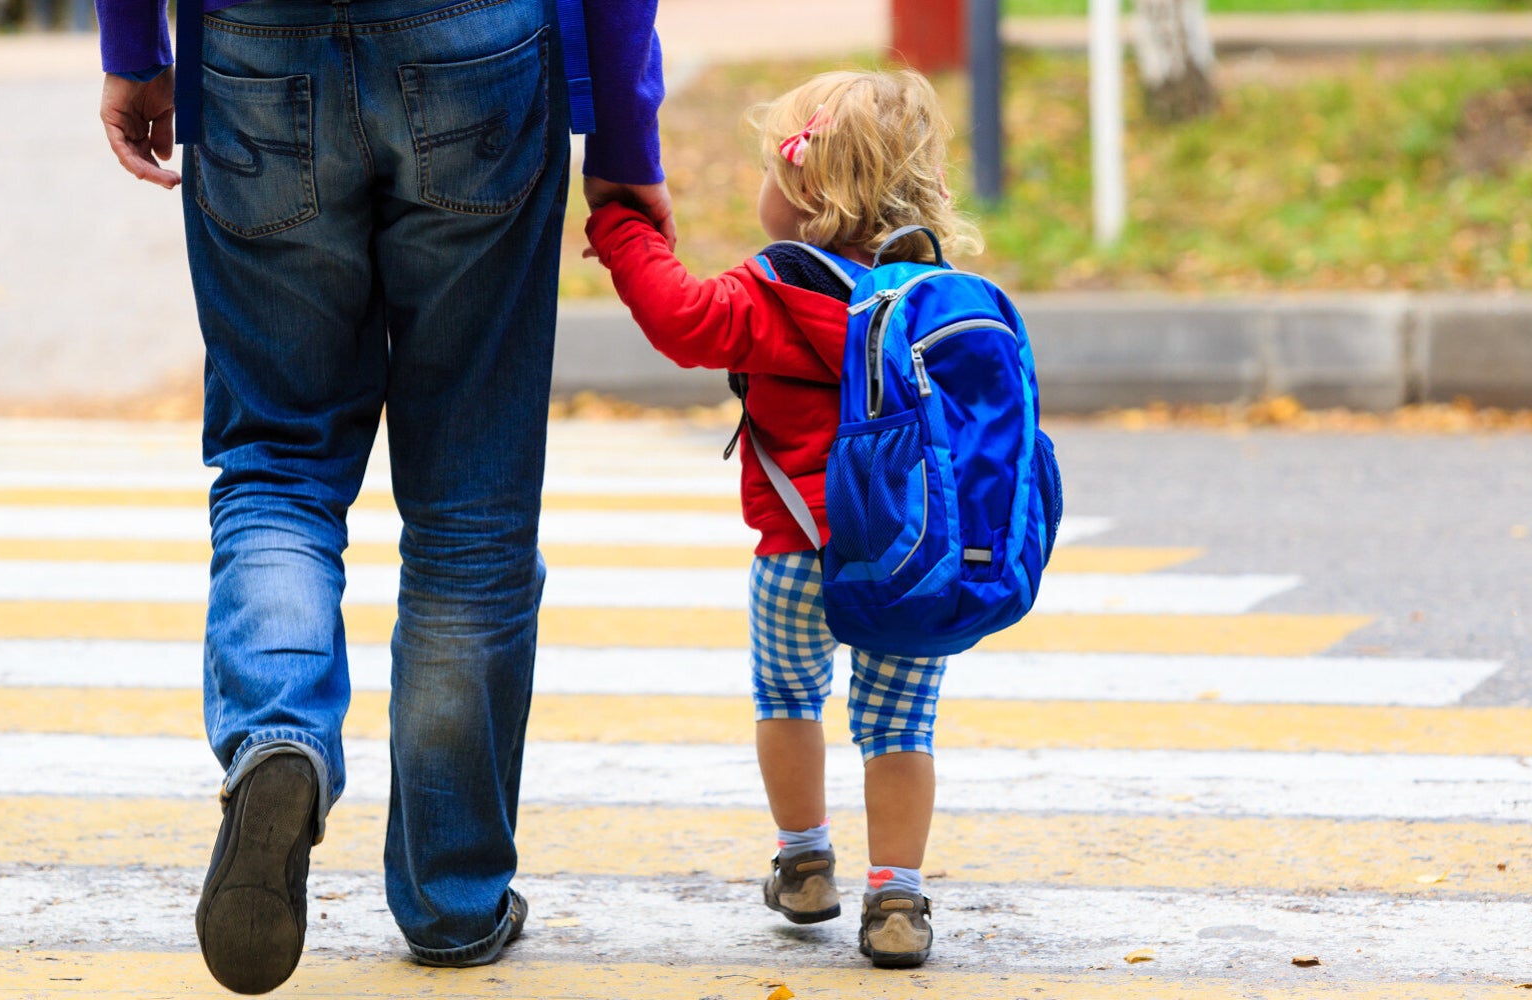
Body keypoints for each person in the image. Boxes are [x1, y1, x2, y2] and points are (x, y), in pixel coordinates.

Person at [95, 0, 671, 991]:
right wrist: (622, 125)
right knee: (470, 498)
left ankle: (278, 734)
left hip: (254, 47)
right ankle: (452, 901)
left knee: (277, 457)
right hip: (478, 44)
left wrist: (133, 46)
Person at [584, 68, 981, 970]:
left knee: (788, 700)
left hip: (796, 555)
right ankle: (897, 896)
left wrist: (621, 229)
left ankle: (804, 858)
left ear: (802, 190)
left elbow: (682, 319)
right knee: (901, 730)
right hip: (914, 562)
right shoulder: (935, 301)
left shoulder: (780, 290)